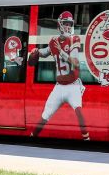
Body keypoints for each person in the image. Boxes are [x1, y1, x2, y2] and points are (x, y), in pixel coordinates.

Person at [28, 11, 90, 140]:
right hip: (59, 86)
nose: (68, 27)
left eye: (69, 24)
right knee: (45, 115)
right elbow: (44, 52)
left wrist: (61, 52)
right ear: (59, 25)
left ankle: (87, 140)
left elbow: (76, 63)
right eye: (65, 24)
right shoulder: (53, 42)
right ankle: (32, 137)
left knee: (79, 112)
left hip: (73, 85)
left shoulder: (74, 39)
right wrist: (35, 52)